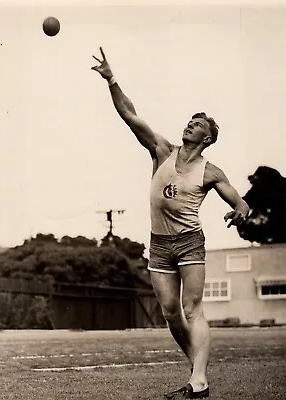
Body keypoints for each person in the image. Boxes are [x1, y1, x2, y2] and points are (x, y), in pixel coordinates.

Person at [91, 47, 249, 399]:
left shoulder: (210, 171)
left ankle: (199, 381)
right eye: (190, 121)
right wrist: (111, 79)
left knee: (192, 309)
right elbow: (130, 116)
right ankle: (198, 369)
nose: (190, 124)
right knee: (169, 312)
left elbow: (239, 200)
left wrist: (241, 210)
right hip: (159, 245)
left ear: (207, 137)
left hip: (190, 241)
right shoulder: (162, 150)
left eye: (198, 124)